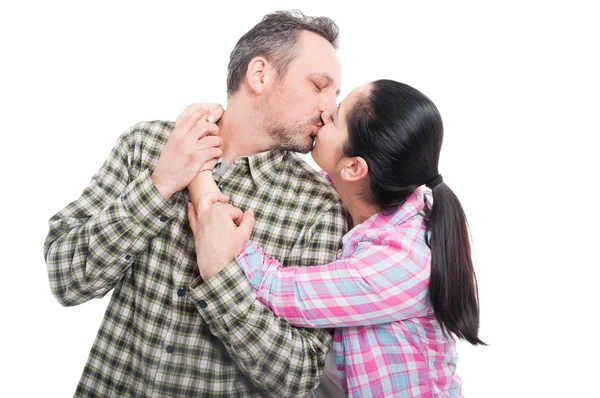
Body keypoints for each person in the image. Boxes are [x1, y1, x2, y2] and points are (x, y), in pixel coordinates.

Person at [43, 11, 349, 397]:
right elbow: (66, 280)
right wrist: (160, 184)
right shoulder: (147, 146)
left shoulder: (319, 208)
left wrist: (221, 277)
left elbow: (300, 377)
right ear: (260, 75)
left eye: (335, 95)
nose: (329, 109)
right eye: (319, 86)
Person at [188, 79, 485, 397]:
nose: (325, 110)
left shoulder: (405, 259)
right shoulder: (343, 193)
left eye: (335, 117)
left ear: (354, 167)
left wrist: (199, 176)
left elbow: (275, 288)